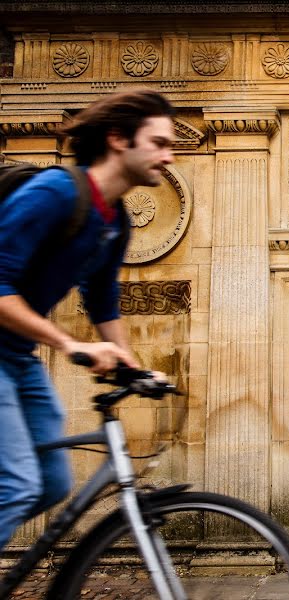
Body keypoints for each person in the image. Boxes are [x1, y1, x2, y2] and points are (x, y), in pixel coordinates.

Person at [0, 90, 176, 551]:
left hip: (15, 356)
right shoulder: (54, 193)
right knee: (17, 485)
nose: (169, 155)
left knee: (51, 485)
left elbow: (102, 304)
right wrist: (69, 344)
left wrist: (132, 369)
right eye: (158, 143)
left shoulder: (114, 218)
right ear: (118, 139)